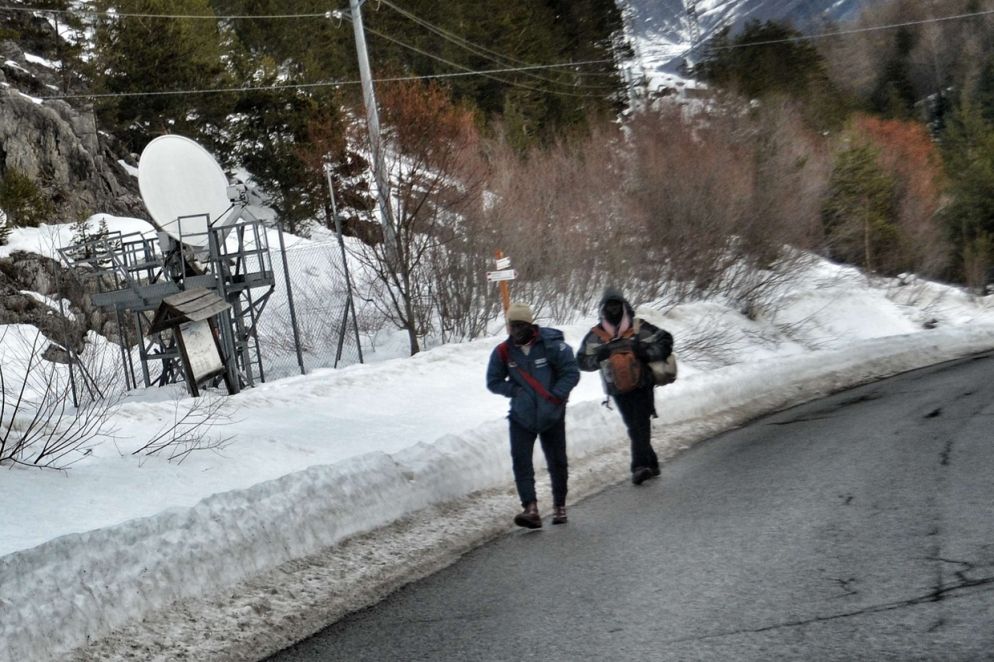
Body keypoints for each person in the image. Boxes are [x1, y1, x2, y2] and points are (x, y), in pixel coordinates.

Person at [487, 302, 580, 529]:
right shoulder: (502, 352)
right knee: (521, 461)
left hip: (552, 415)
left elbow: (571, 372)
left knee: (557, 462)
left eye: (521, 326)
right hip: (521, 417)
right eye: (512, 326)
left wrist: (557, 395)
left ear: (531, 326)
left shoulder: (552, 346)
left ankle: (560, 506)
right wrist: (515, 392)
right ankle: (530, 508)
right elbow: (493, 381)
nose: (516, 331)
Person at [578, 287, 674, 485]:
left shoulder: (639, 327)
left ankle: (639, 467)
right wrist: (598, 358)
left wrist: (647, 353)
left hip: (643, 384)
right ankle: (652, 463)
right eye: (609, 306)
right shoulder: (596, 335)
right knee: (634, 426)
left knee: (640, 423)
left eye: (616, 305)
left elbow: (666, 340)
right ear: (602, 309)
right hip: (617, 388)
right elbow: (581, 361)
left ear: (624, 306)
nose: (613, 310)